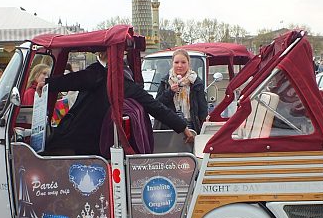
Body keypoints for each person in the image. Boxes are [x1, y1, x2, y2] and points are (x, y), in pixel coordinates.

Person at [40, 51, 194, 156]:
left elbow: (75, 80)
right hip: (97, 143)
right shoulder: (125, 82)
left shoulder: (99, 74)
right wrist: (182, 127)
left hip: (78, 141)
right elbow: (154, 106)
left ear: (101, 54)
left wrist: (46, 83)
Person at [154, 49, 207, 134]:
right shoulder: (166, 81)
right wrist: (170, 91)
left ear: (188, 63)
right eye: (176, 62)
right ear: (172, 64)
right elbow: (157, 105)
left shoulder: (196, 82)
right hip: (169, 125)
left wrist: (202, 127)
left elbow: (202, 108)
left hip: (191, 125)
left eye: (183, 62)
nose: (179, 65)